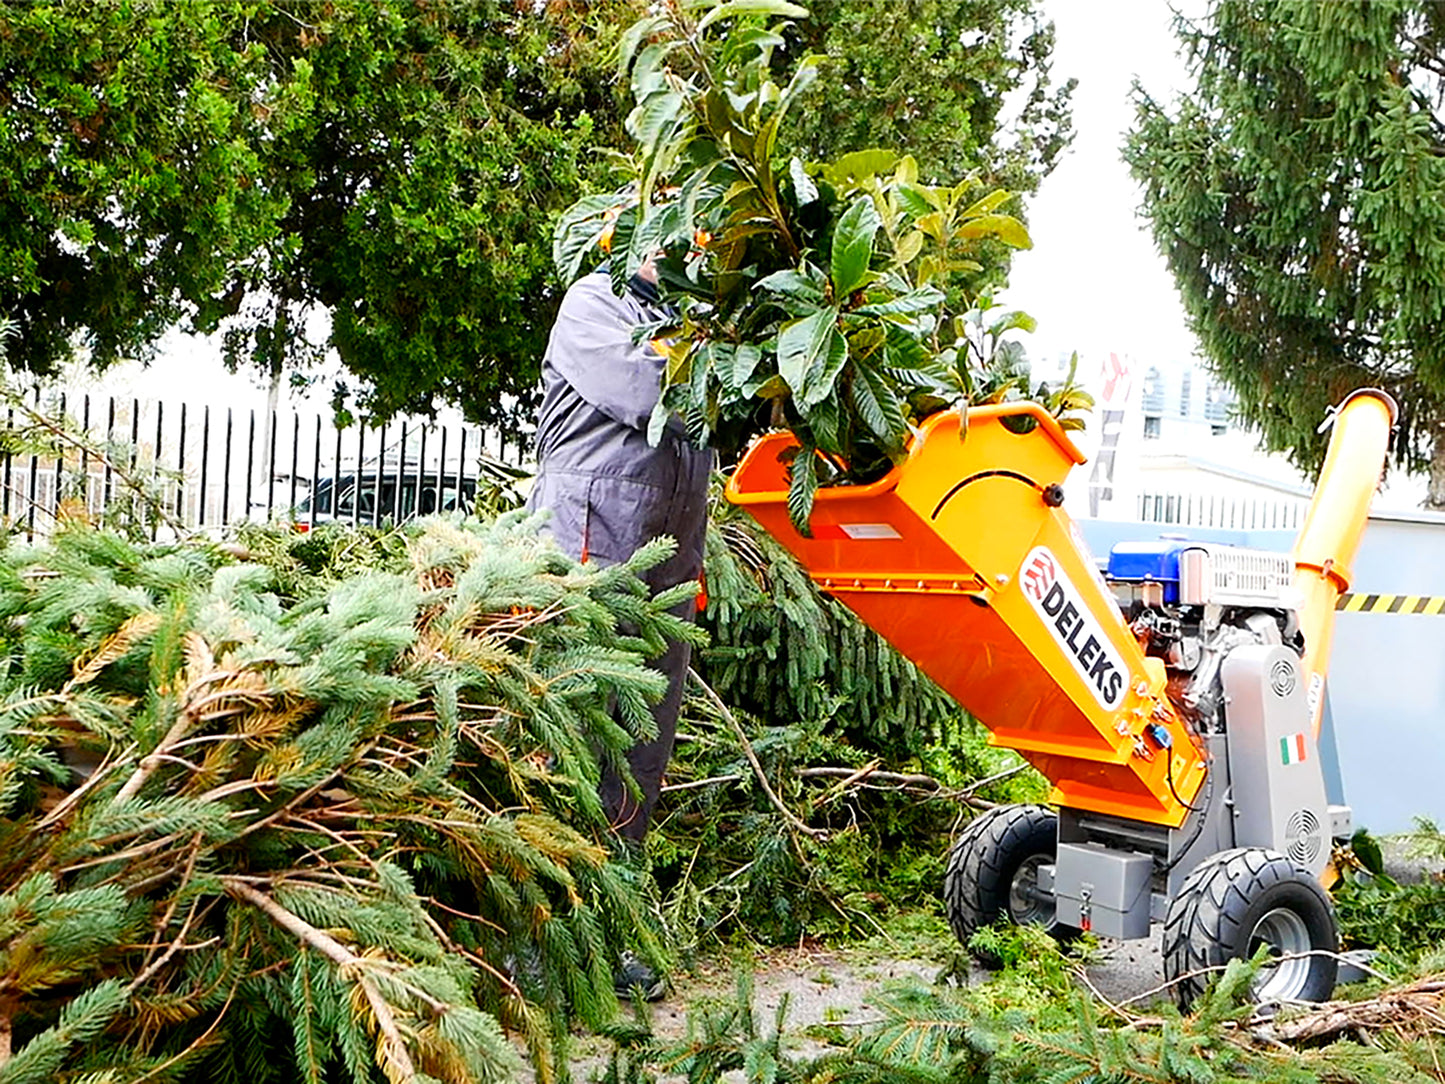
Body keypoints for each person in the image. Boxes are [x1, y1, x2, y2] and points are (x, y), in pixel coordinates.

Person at [527, 256, 712, 993]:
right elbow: (655, 392)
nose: (679, 247)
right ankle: (536, 935)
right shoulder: (593, 305)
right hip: (590, 542)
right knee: (570, 738)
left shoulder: (696, 326)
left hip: (668, 556)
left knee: (640, 745)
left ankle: (605, 927)